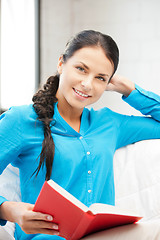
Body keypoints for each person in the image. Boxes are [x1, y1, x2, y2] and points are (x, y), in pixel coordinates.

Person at [0, 29, 160, 240]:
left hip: (104, 235)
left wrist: (129, 89)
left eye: (100, 78)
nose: (87, 84)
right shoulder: (21, 120)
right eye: (81, 69)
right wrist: (9, 210)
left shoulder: (109, 123)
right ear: (61, 63)